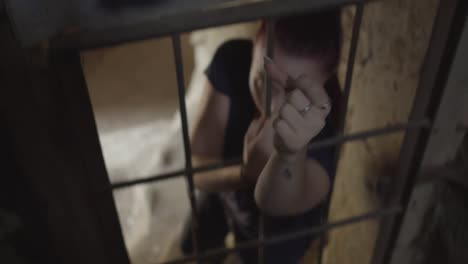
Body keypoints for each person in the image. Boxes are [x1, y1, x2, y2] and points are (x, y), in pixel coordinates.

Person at [181, 9, 343, 264]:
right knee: (195, 248)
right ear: (256, 41)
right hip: (223, 200)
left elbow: (274, 204)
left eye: (294, 93)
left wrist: (288, 152)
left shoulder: (324, 127)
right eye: (263, 80)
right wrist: (244, 173)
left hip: (274, 244)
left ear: (324, 81)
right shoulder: (232, 60)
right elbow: (194, 168)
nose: (272, 107)